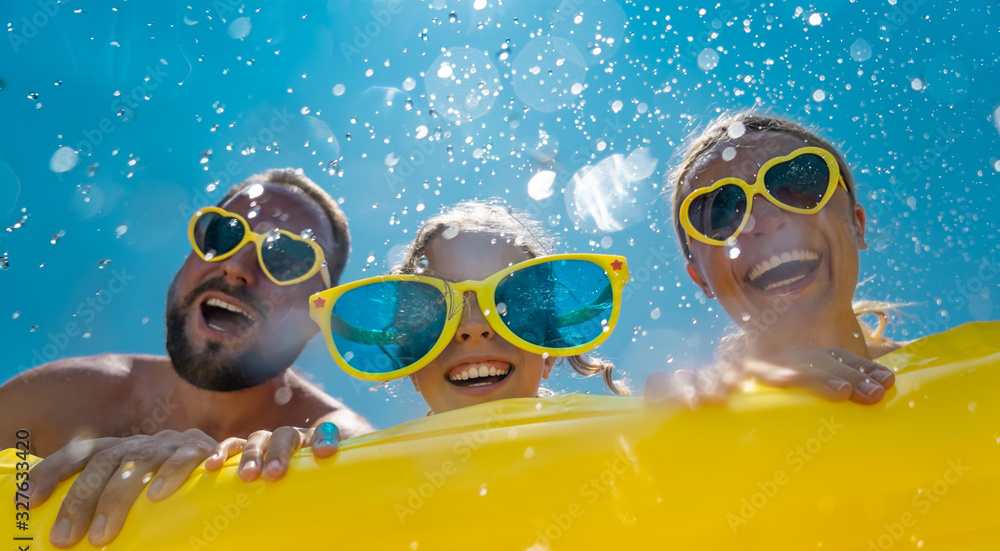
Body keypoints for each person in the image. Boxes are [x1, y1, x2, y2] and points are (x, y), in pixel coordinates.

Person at [2, 168, 373, 547]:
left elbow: (358, 458)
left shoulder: (330, 433)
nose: (236, 266)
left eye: (287, 258)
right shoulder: (55, 399)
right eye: (222, 235)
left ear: (316, 315)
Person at [647, 111, 901, 404]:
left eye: (797, 184)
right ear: (701, 278)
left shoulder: (962, 366)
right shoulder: (704, 415)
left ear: (856, 224)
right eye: (721, 212)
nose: (765, 220)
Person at [309, 200, 631, 413]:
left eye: (511, 304)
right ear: (412, 367)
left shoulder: (611, 450)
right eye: (435, 311)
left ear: (548, 351)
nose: (474, 327)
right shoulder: (378, 483)